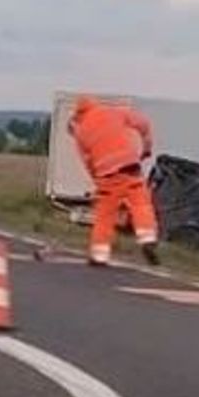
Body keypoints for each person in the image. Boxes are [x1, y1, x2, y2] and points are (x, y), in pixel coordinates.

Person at [69, 94, 160, 268]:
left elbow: (88, 161)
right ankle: (147, 238)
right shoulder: (113, 112)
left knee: (105, 215)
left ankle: (99, 255)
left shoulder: (80, 132)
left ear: (79, 114)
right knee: (141, 204)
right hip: (130, 165)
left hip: (106, 174)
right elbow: (143, 124)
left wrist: (97, 181)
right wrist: (146, 148)